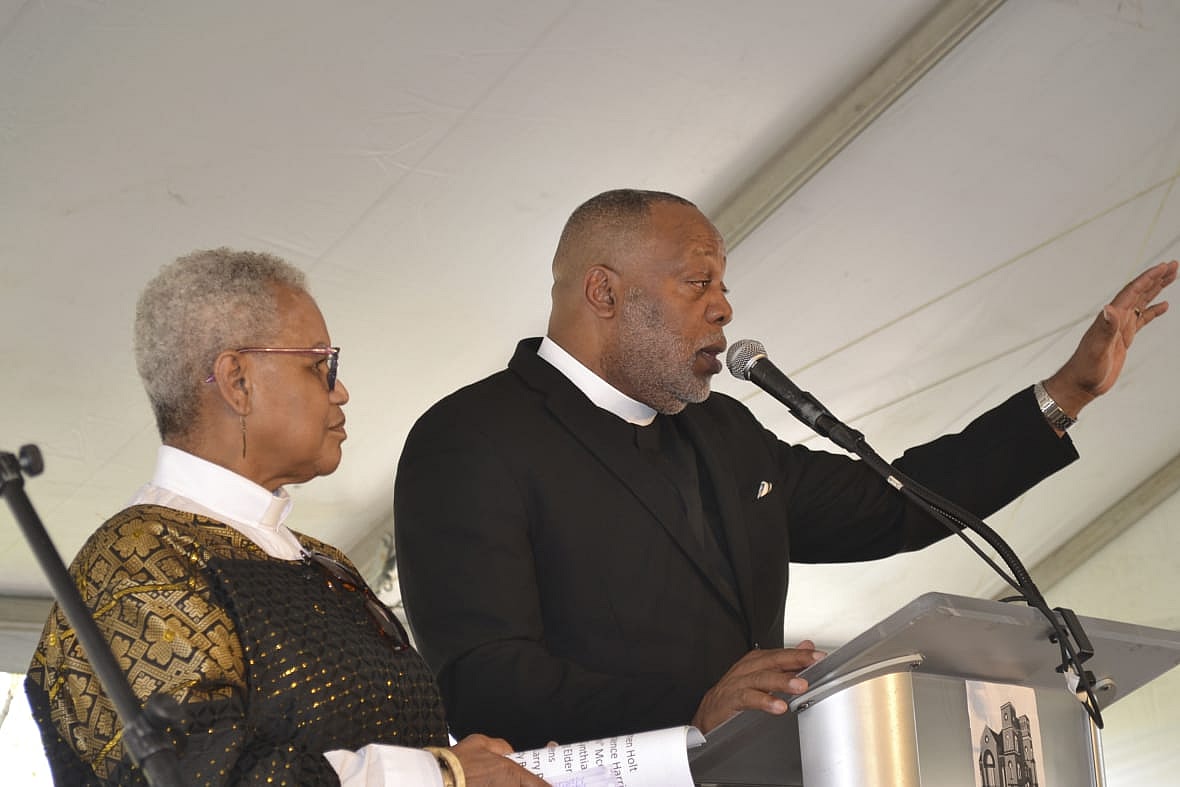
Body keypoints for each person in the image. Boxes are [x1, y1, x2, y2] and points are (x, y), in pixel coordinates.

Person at [394, 188, 1178, 750]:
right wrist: (696, 706)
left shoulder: (721, 428)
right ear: (605, 291)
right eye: (699, 281)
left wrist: (1066, 393)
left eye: (725, 285)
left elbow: (893, 502)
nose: (725, 307)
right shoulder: (472, 437)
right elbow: (486, 680)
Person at [26, 249, 548, 786]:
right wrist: (442, 773)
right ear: (237, 382)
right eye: (319, 365)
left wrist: (477, 762)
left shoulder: (324, 562)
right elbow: (200, 773)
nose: (339, 390)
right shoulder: (135, 563)